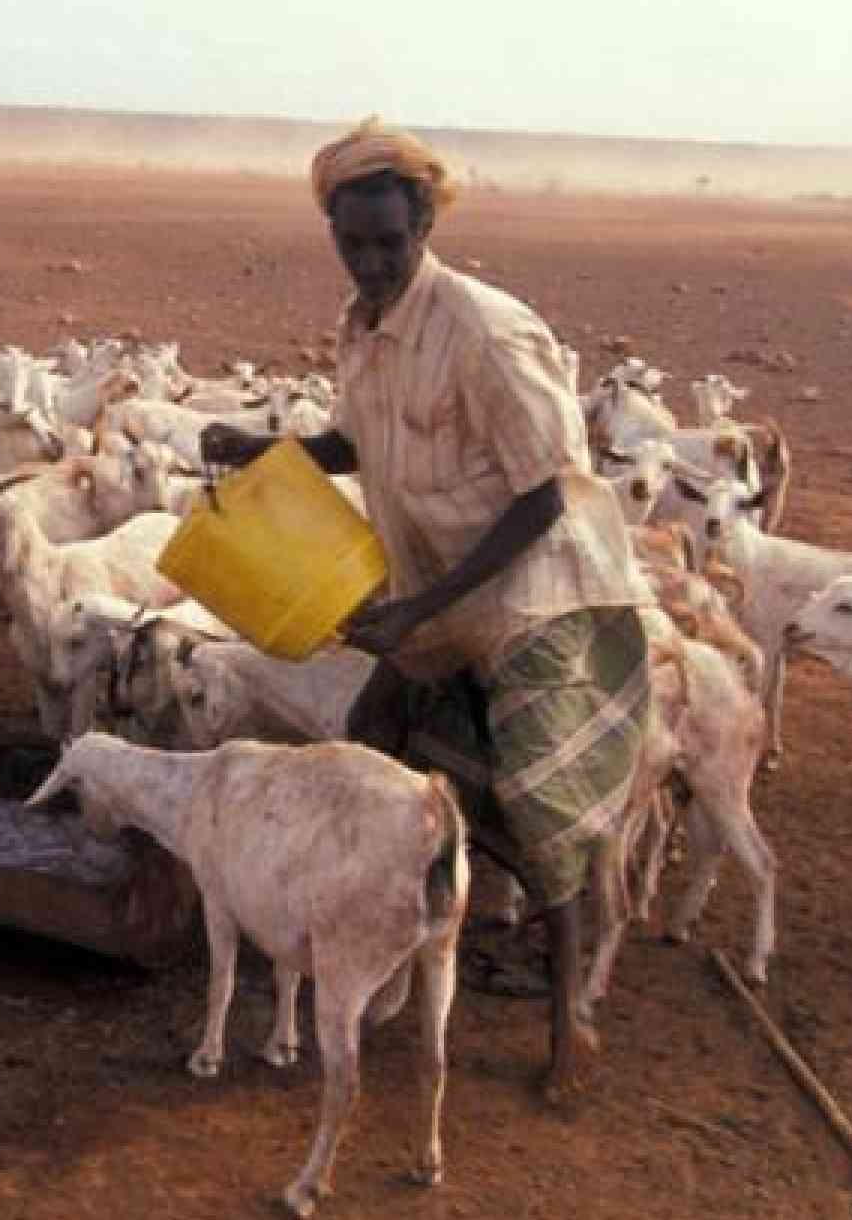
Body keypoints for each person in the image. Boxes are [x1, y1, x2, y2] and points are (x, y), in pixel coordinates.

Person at [200, 117, 650, 1103]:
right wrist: (264, 450)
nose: (369, 262)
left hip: (541, 594)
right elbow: (365, 444)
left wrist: (420, 612)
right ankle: (381, 960)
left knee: (542, 810)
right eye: (352, 243)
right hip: (443, 594)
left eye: (388, 243)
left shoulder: (485, 331)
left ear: (424, 225)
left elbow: (547, 493)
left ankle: (571, 1016)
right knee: (373, 749)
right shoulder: (362, 329)